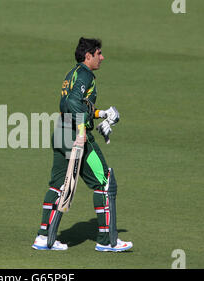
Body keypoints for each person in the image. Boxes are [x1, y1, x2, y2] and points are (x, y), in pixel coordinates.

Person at [32, 37, 133, 252]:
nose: (102, 57)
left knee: (58, 184)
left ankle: (43, 236)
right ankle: (108, 240)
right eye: (99, 53)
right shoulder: (85, 75)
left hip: (61, 132)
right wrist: (80, 131)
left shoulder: (73, 73)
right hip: (75, 136)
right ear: (88, 55)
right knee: (105, 182)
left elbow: (77, 104)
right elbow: (72, 103)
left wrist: (101, 113)